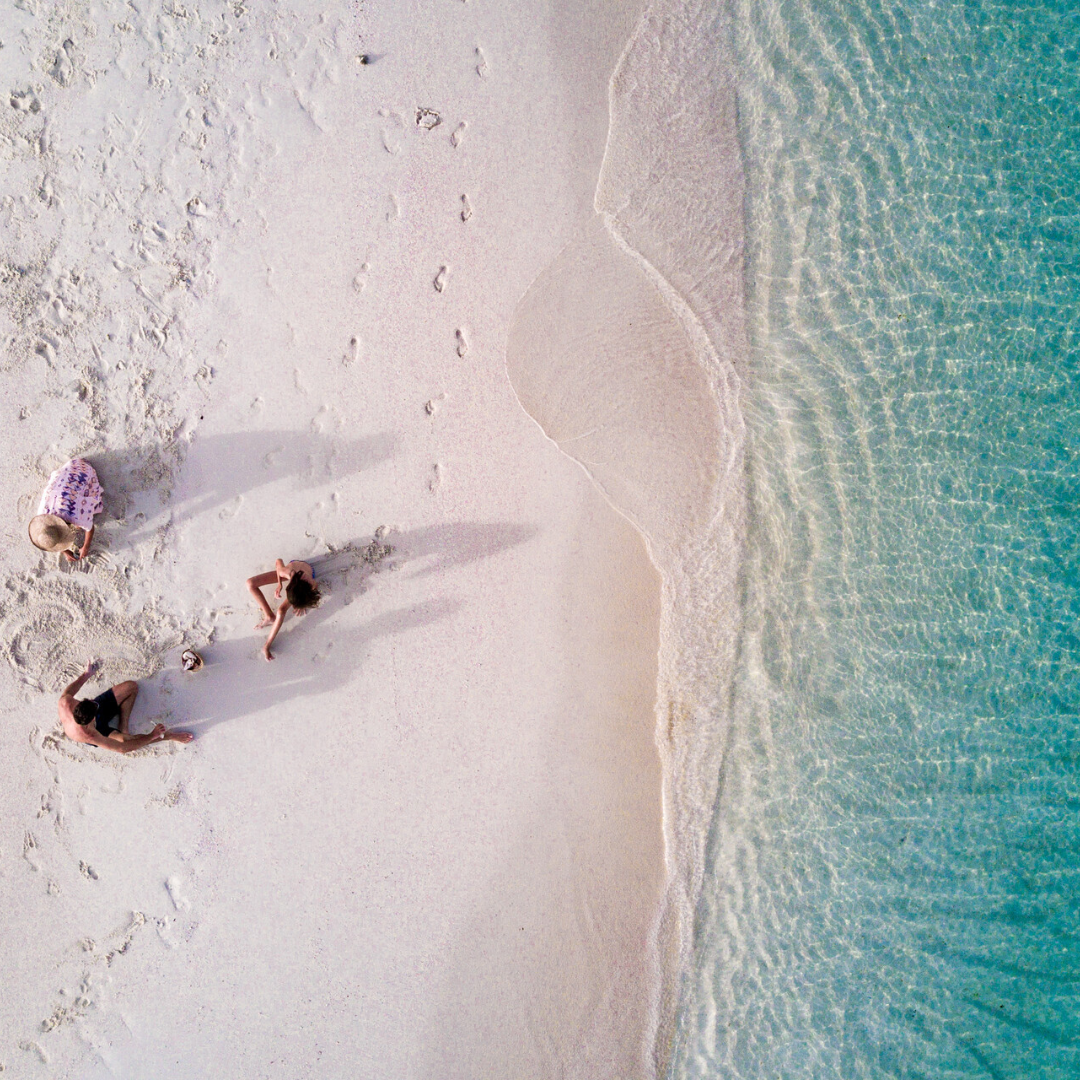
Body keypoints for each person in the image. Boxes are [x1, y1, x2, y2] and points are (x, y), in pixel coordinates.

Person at [58, 660, 193, 752]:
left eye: (92, 702)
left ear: (79, 704)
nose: (95, 704)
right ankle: (169, 736)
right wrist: (152, 735)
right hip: (99, 729)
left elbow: (69, 691)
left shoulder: (65, 703)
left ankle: (124, 726)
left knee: (131, 687)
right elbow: (122, 749)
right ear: (92, 720)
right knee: (126, 740)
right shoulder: (90, 735)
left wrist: (86, 675)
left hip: (88, 714)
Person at [28, 457, 104, 562]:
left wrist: (86, 546)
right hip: (66, 472)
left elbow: (89, 528)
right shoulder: (41, 514)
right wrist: (65, 551)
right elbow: (52, 536)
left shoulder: (75, 517)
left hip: (84, 473)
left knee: (80, 525)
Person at [246, 558, 321, 661]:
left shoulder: (310, 583)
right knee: (250, 583)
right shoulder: (285, 572)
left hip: (306, 573)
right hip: (294, 573)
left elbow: (314, 586)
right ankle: (269, 616)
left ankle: (267, 645)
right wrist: (279, 584)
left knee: (281, 611)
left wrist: (302, 604)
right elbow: (278, 561)